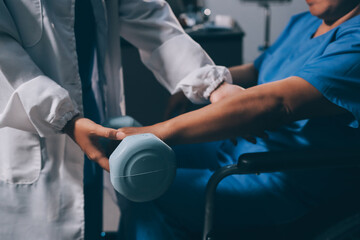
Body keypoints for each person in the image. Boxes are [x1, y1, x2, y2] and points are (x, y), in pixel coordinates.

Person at [114, 0, 360, 239]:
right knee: (147, 167)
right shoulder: (306, 21)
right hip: (240, 144)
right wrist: (209, 84)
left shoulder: (355, 40)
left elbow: (276, 104)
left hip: (281, 174)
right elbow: (258, 69)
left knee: (149, 190)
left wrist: (156, 131)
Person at [0, 0, 232, 239]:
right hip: (30, 123)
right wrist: (63, 118)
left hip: (89, 115)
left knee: (88, 215)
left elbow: (149, 17)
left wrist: (213, 84)